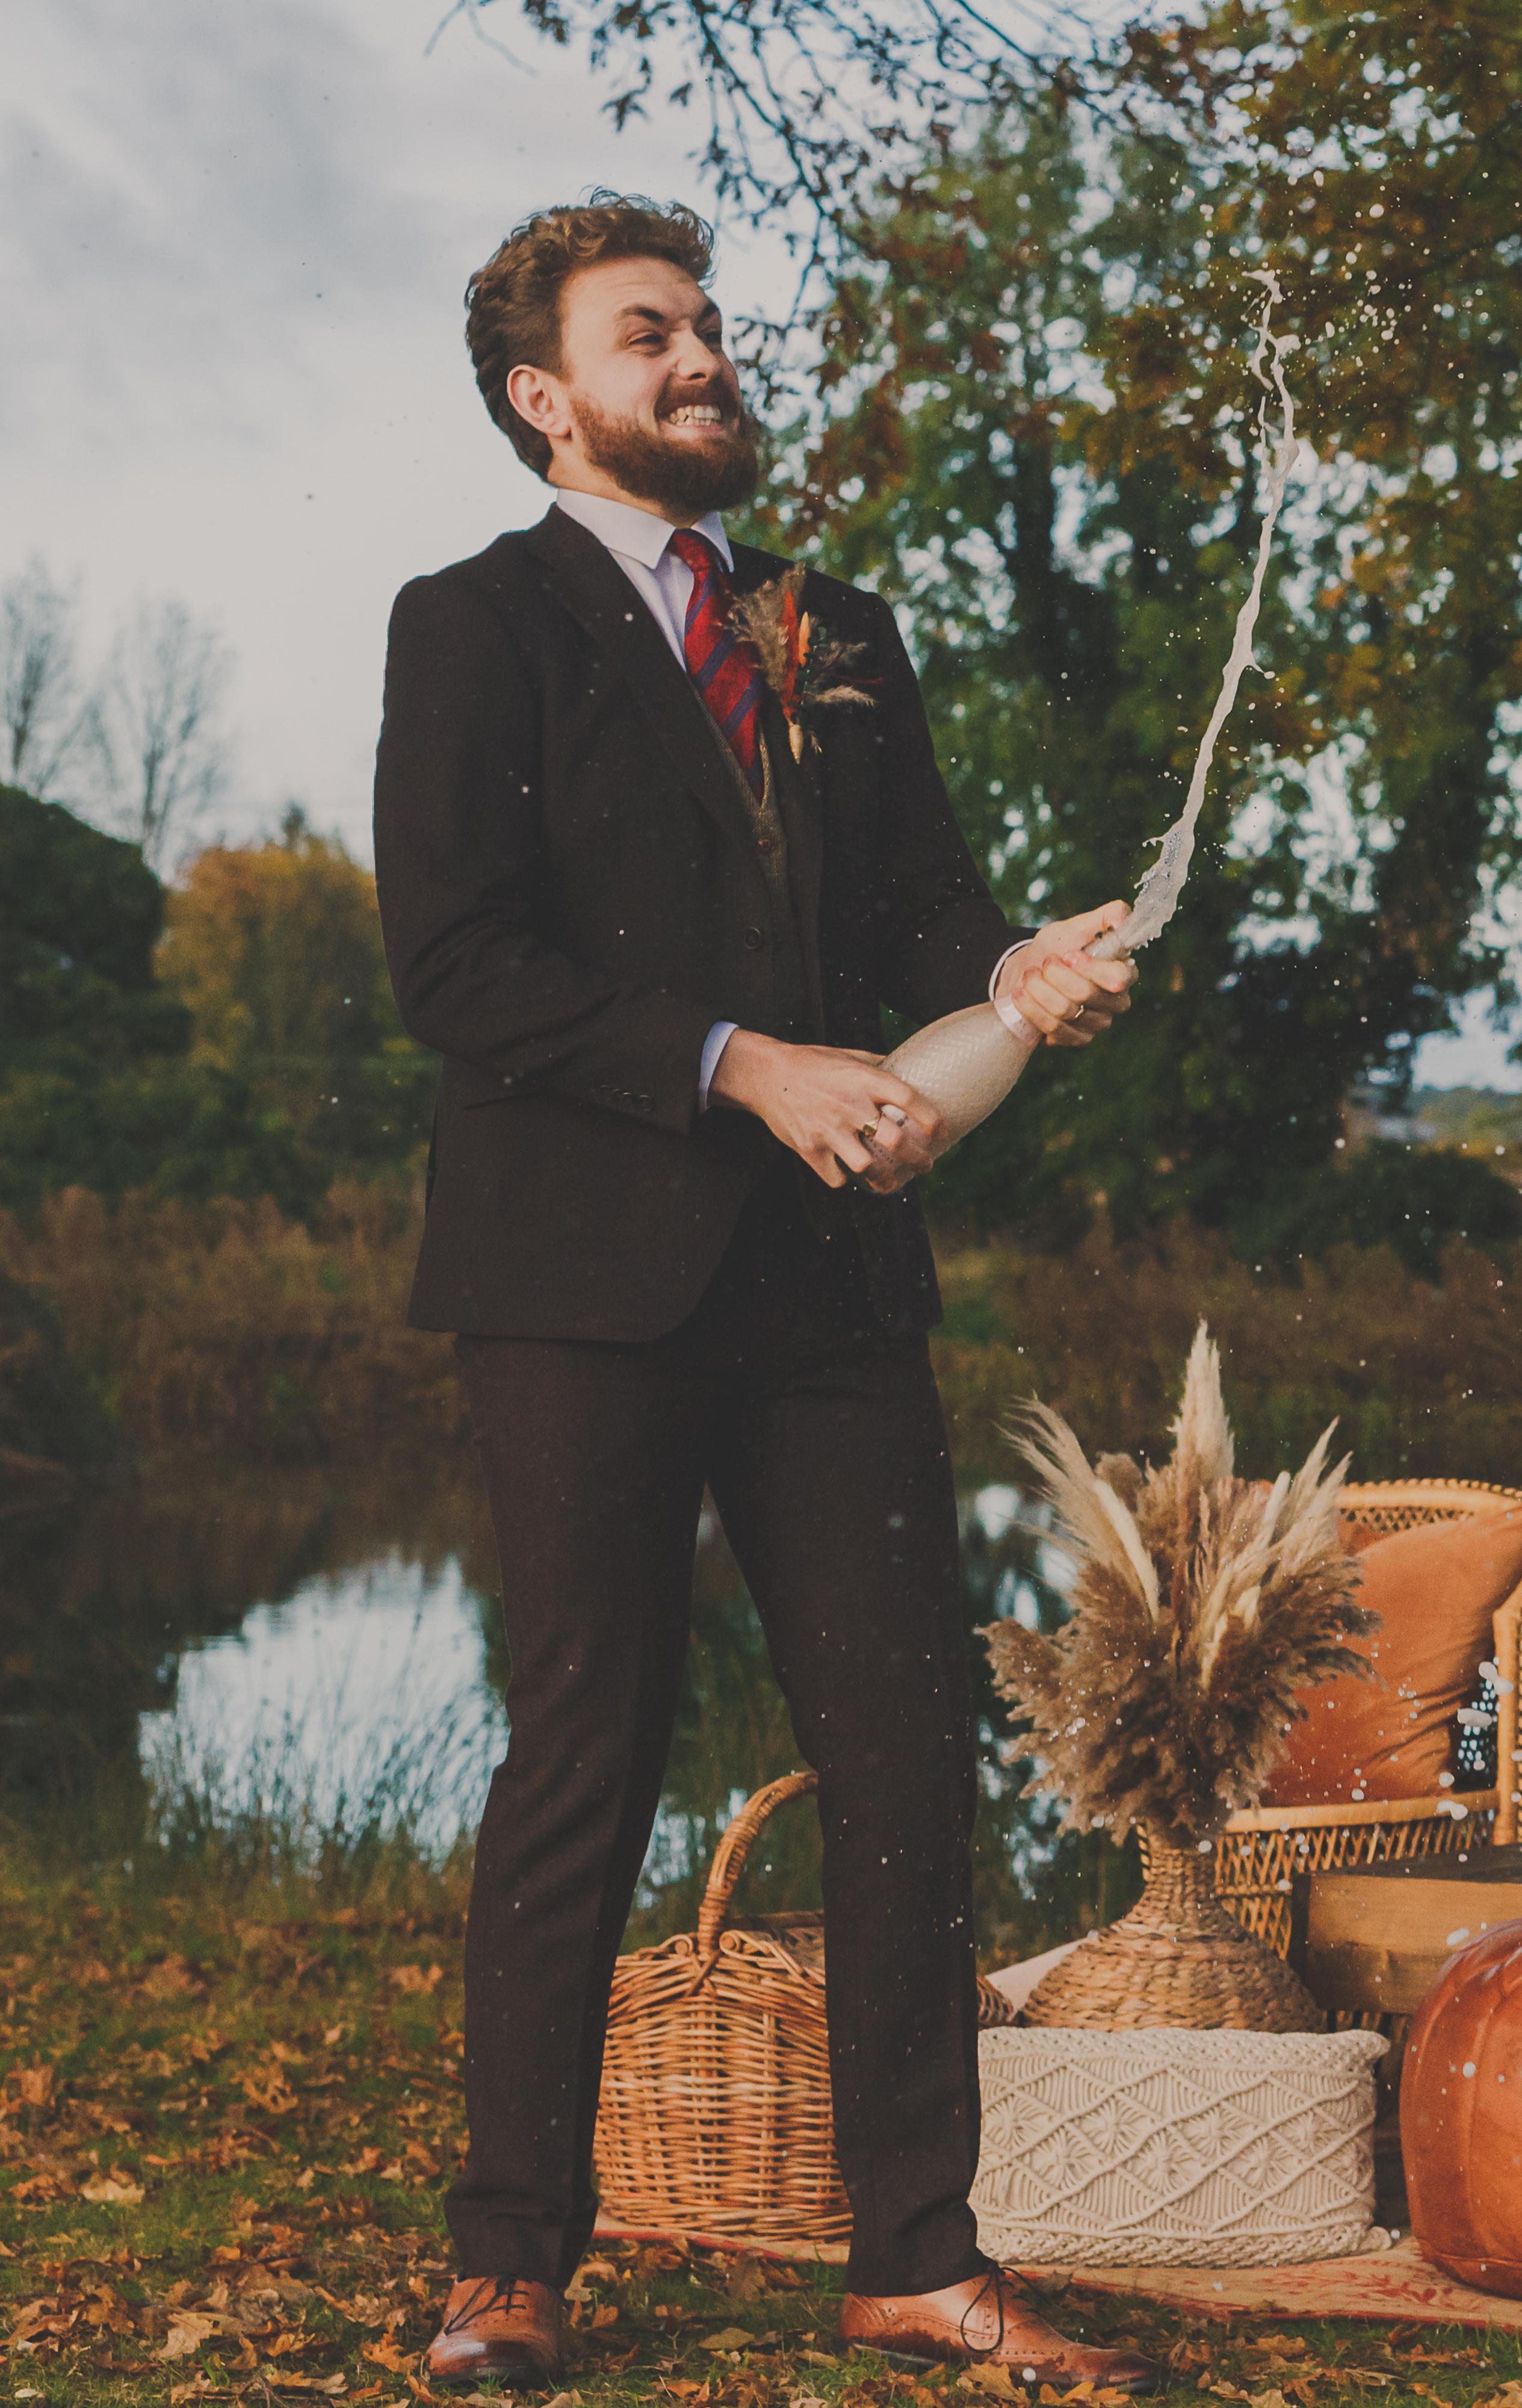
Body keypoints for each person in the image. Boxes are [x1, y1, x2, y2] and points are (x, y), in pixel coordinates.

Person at [376, 195, 1154, 2393]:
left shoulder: (844, 630)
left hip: (831, 1295)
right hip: (577, 1287)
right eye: (653, 332)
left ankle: (917, 2252)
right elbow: (458, 969)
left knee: (911, 1761)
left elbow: (927, 938)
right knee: (585, 1760)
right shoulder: (475, 627)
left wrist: (1022, 986)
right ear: (549, 397)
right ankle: (512, 2258)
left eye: (708, 322)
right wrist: (736, 1067)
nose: (704, 353)